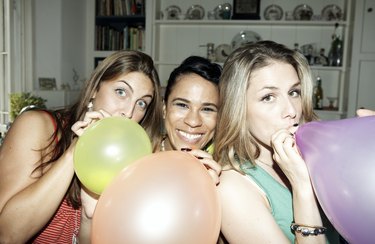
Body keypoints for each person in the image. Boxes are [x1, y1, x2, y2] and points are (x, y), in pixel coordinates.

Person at [0, 50, 163, 243]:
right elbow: (8, 235)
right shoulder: (38, 126)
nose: (128, 112)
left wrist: (89, 216)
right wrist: (76, 150)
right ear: (95, 89)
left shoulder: (127, 159)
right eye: (121, 92)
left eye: (142, 103)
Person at [214, 41, 338, 243]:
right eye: (268, 97)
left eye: (294, 92)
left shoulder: (314, 156)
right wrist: (301, 185)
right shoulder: (232, 187)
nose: (291, 110)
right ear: (239, 109)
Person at [159, 56, 222, 184]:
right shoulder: (137, 154)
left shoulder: (227, 168)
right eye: (182, 105)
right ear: (164, 108)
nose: (193, 122)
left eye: (207, 109)